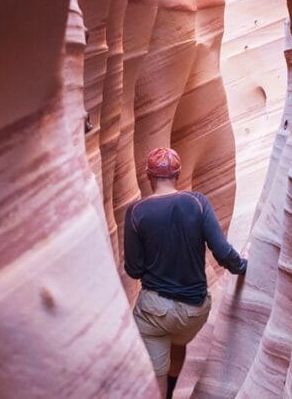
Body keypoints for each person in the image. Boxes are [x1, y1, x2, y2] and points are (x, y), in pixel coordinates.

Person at [124, 147, 248, 398]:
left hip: (155, 312)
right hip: (195, 309)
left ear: (148, 177)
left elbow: (134, 270)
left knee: (154, 358)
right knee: (178, 341)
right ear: (177, 175)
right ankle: (170, 390)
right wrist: (243, 266)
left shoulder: (136, 212)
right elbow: (222, 251)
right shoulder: (197, 202)